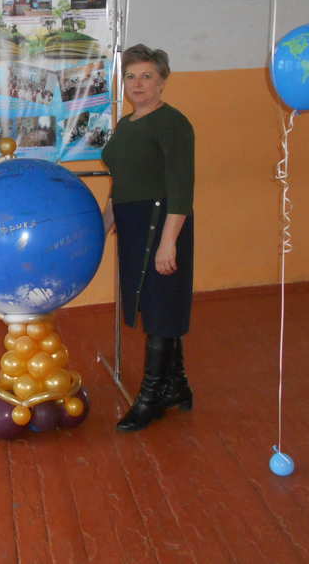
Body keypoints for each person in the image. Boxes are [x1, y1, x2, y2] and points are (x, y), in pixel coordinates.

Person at [102, 44, 195, 432]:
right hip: (133, 223)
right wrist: (104, 223)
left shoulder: (173, 123)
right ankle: (177, 385)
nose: (137, 84)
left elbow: (181, 189)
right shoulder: (126, 125)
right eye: (130, 76)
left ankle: (151, 397)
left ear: (162, 82)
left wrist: (169, 242)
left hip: (163, 222)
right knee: (156, 303)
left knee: (161, 303)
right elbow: (121, 183)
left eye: (146, 76)